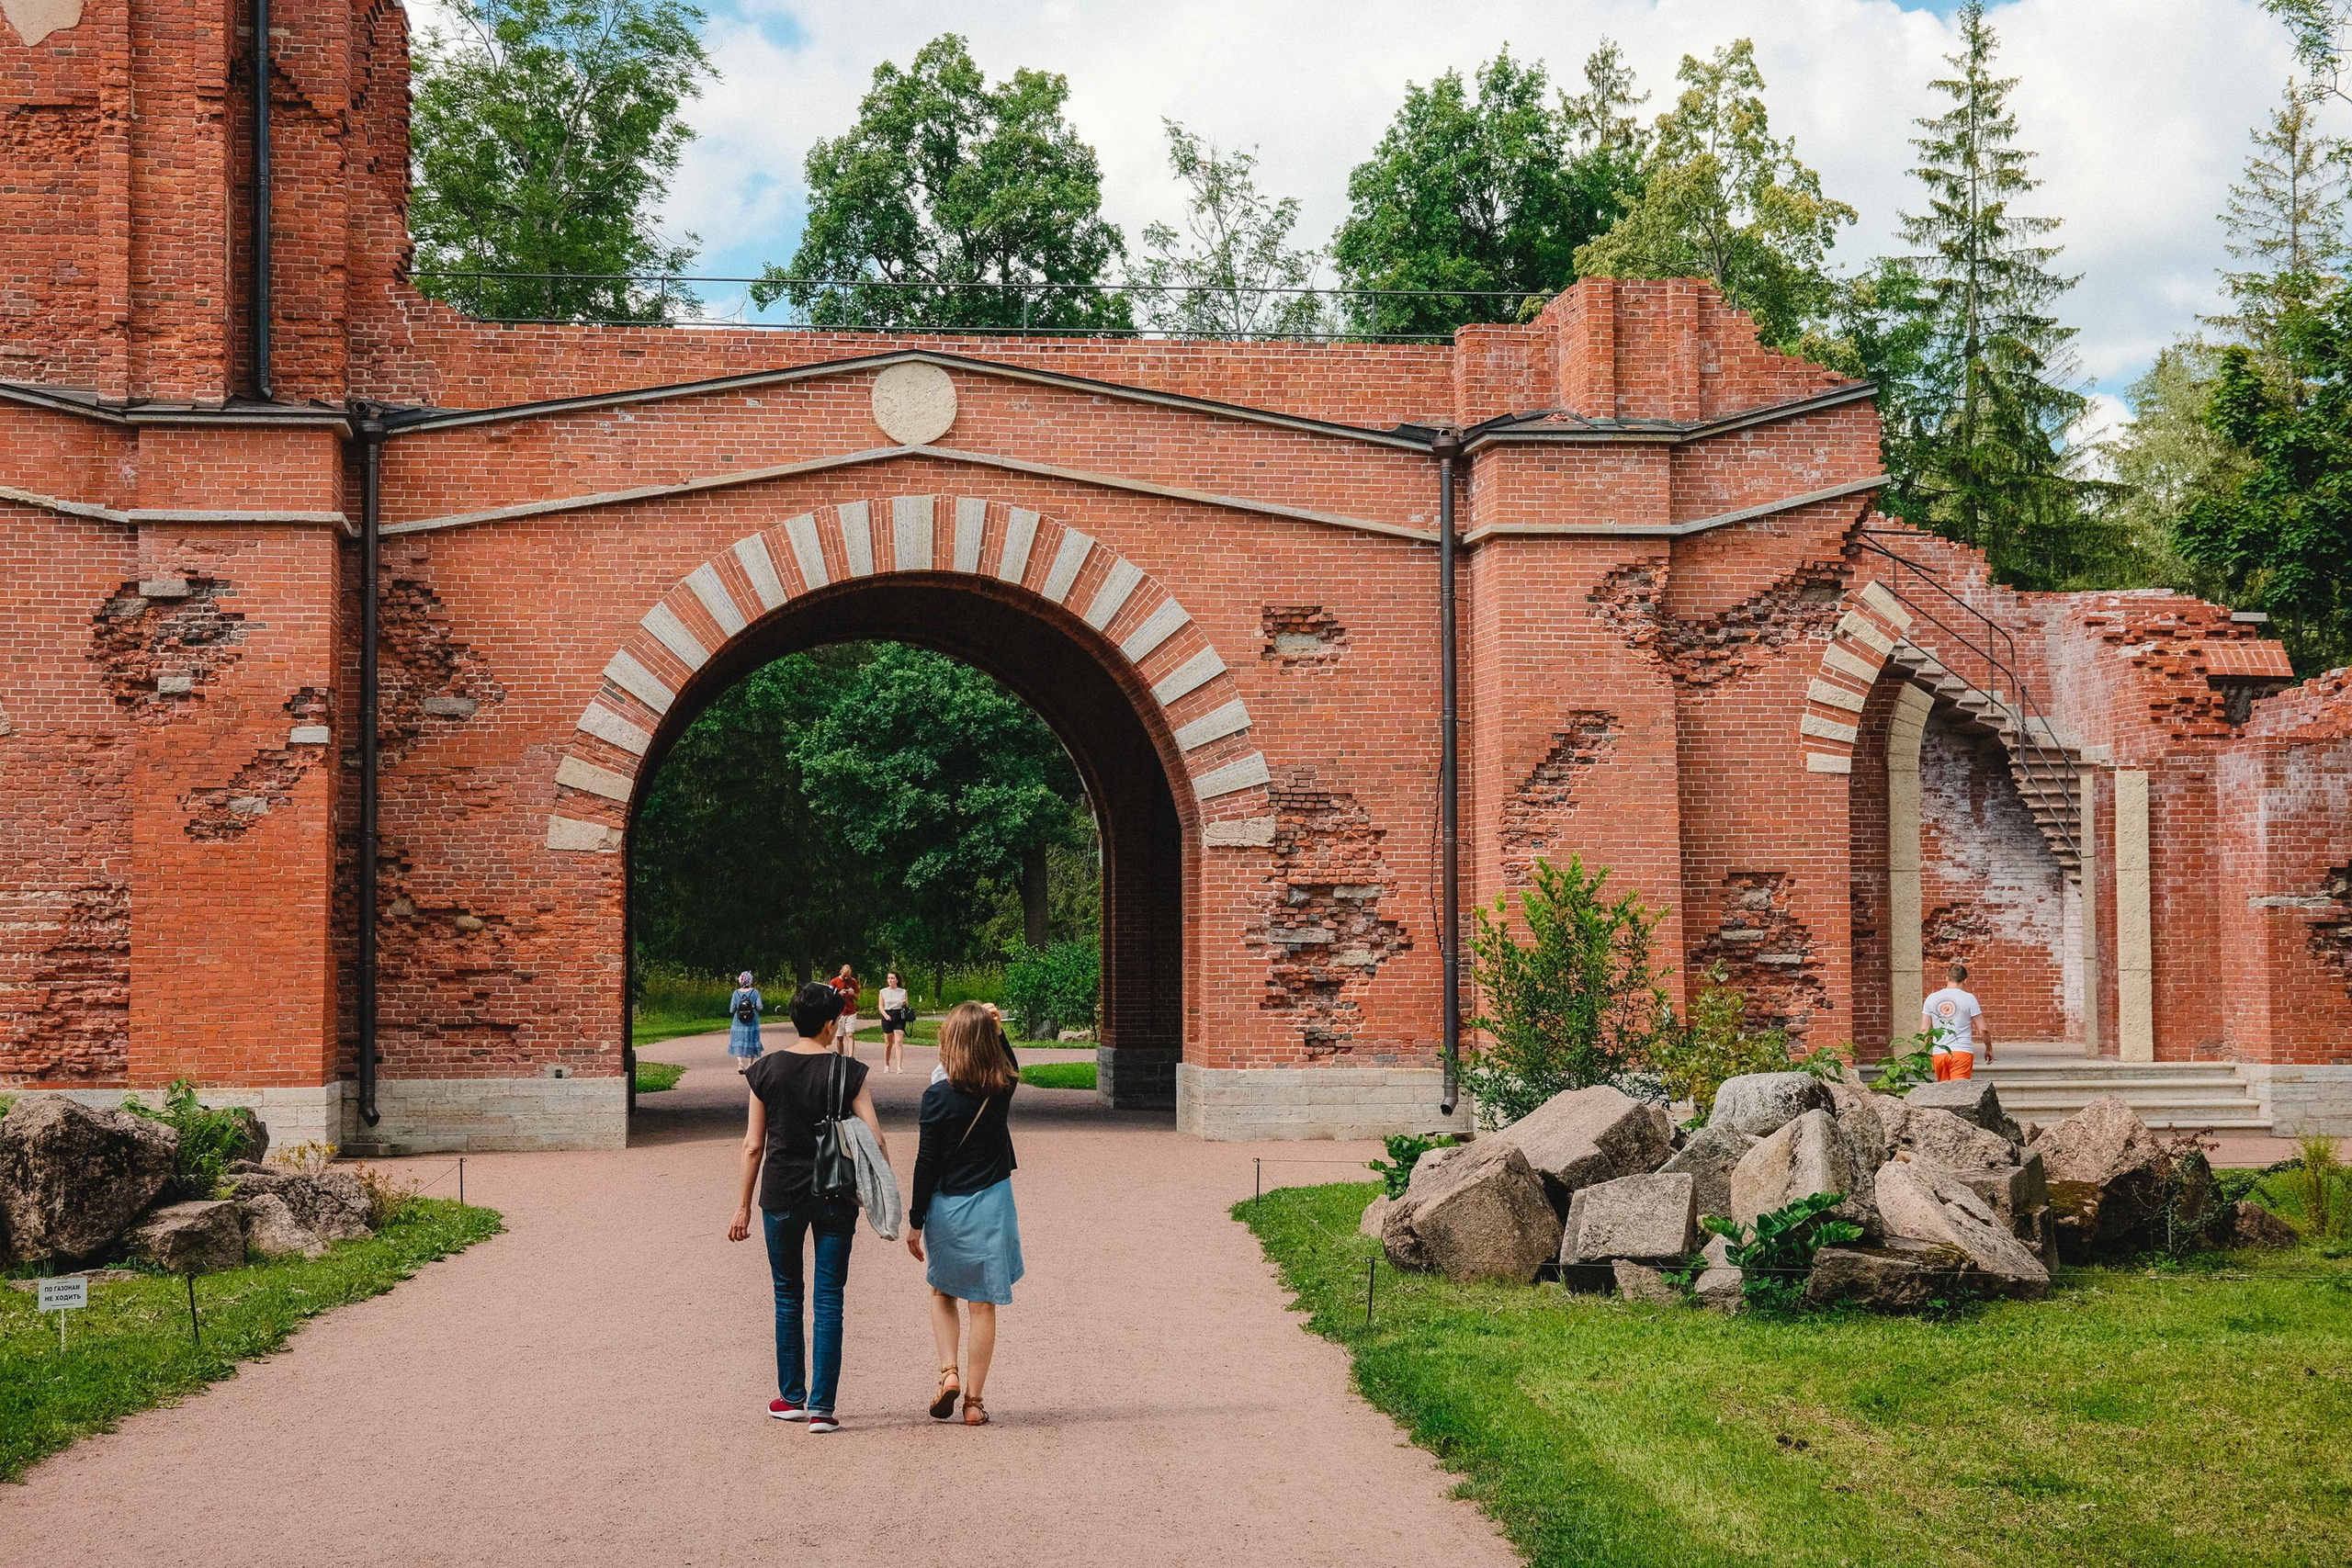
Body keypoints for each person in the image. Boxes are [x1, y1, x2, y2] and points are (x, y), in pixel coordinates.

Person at [729, 982, 888, 1435]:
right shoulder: (848, 1071)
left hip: (781, 1193)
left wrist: (742, 1207)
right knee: (830, 1298)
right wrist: (881, 1195)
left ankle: (791, 1397)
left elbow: (753, 1145)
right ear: (829, 1024)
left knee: (787, 1294)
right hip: (834, 1191)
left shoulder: (765, 1070)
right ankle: (822, 1409)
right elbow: (875, 1139)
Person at [909, 1001, 1023, 1427]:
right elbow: (1011, 1066)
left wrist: (915, 1221)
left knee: (942, 1293)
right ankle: (974, 1403)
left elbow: (926, 1163)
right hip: (992, 1203)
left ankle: (948, 1372)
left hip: (947, 1206)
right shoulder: (1001, 1088)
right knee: (983, 1304)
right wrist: (998, 1031)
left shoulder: (937, 1097)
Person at [1923, 960, 1991, 1079]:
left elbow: (1924, 1029)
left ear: (1946, 978)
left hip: (1939, 1053)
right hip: (1961, 1052)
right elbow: (1983, 1029)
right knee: (1959, 1089)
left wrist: (1920, 1053)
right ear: (1965, 980)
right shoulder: (1969, 998)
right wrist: (1989, 1049)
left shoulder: (1931, 998)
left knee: (1944, 1089)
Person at [727, 972, 763, 1075]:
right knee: (752, 1039)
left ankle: (740, 1063)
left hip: (739, 1021)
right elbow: (760, 1007)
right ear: (750, 980)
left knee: (738, 1039)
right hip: (752, 1020)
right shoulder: (755, 992)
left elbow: (732, 1009)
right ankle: (750, 1064)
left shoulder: (736, 993)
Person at [878, 970, 913, 1075]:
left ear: (897, 980)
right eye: (889, 978)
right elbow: (881, 1006)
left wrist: (905, 1004)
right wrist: (886, 1015)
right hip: (887, 1015)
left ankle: (899, 1066)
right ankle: (887, 1065)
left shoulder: (902, 991)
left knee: (898, 1041)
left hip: (899, 1016)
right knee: (888, 1043)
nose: (890, 980)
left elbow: (906, 1005)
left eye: (892, 978)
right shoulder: (883, 991)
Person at [829, 964, 861, 1058]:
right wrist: (839, 994)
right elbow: (829, 998)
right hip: (839, 1012)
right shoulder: (834, 982)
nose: (846, 978)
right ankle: (841, 1056)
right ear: (841, 972)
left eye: (848, 976)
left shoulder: (853, 981)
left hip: (850, 1011)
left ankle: (851, 1056)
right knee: (839, 1037)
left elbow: (857, 998)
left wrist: (853, 994)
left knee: (850, 1034)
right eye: (845, 976)